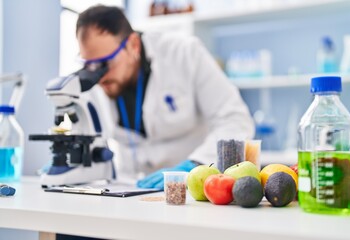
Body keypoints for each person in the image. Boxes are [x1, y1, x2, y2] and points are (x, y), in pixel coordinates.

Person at [76, 5, 255, 190]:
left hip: (191, 190)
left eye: (105, 64)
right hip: (131, 189)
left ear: (133, 45)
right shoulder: (95, 79)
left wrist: (195, 165)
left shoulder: (184, 54)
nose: (99, 76)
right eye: (89, 65)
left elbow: (235, 120)